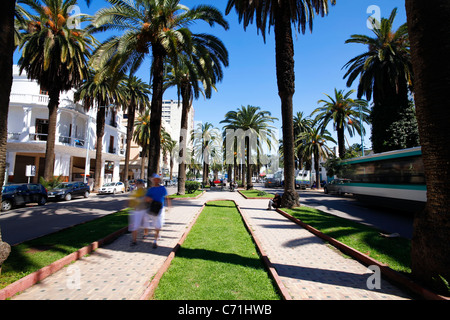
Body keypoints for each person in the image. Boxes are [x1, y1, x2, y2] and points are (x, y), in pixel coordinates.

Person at [145, 173, 171, 248]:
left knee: (158, 224)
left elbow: (167, 197)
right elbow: (146, 198)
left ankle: (155, 241)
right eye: (154, 179)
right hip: (153, 208)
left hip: (160, 208)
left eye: (157, 179)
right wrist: (150, 200)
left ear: (159, 180)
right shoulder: (151, 189)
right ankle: (157, 234)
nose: (155, 181)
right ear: (153, 180)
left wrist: (169, 206)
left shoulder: (162, 188)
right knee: (156, 224)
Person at [128, 179, 149, 246]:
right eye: (137, 183)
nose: (138, 184)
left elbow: (148, 200)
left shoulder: (145, 191)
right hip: (136, 211)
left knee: (145, 224)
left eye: (140, 183)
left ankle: (145, 234)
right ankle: (134, 240)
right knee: (135, 226)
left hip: (144, 210)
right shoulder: (134, 192)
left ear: (143, 184)